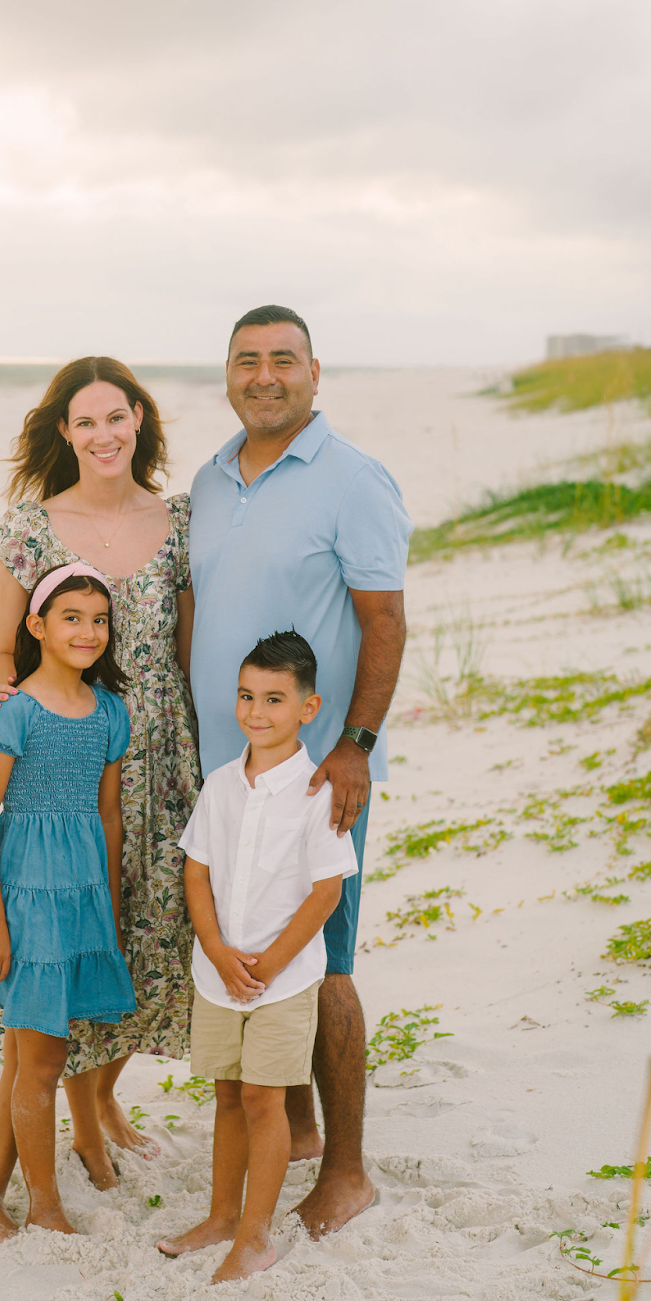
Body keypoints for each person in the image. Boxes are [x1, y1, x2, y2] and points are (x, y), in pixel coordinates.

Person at [189, 305, 412, 1238]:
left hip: (320, 776)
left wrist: (354, 742)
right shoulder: (207, 478)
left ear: (316, 374)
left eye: (283, 360)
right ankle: (304, 1129)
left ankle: (348, 1170)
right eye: (247, 360)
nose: (264, 375)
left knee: (323, 966)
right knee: (252, 939)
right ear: (228, 375)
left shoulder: (352, 480)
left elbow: (385, 621)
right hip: (227, 773)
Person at [0, 356, 200, 1190]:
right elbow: (8, 645)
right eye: (85, 421)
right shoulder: (31, 527)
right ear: (64, 433)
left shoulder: (177, 520)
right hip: (74, 756)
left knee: (156, 939)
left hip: (168, 757)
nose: (103, 435)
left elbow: (183, 650)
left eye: (117, 417)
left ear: (139, 420)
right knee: (82, 936)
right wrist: (5, 696)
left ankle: (104, 1097)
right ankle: (84, 1123)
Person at [0, 564, 137, 1238]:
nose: (87, 631)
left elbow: (108, 816)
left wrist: (106, 908)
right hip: (24, 899)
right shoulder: (13, 712)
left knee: (26, 1060)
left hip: (80, 898)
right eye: (71, 618)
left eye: (99, 620)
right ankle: (44, 1204)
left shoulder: (110, 712)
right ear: (37, 627)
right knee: (42, 1059)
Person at [158, 631, 358, 1280]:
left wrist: (268, 964)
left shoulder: (317, 792)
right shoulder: (219, 785)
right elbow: (196, 873)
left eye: (274, 699)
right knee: (225, 1097)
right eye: (246, 696)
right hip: (217, 977)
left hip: (281, 981)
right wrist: (214, 949)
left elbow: (327, 892)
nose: (255, 712)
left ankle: (253, 1236)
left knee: (264, 1102)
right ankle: (220, 1215)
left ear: (308, 707)